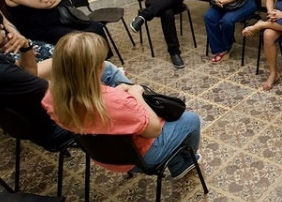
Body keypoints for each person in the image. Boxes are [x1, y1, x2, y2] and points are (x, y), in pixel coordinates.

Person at [0, 4, 131, 149]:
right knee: (107, 71)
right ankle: (138, 119)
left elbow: (30, 72)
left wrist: (25, 47)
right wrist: (104, 85)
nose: (0, 27)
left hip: (33, 124)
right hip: (55, 128)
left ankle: (133, 107)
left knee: (100, 69)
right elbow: (60, 94)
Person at [42, 32, 201, 179]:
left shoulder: (50, 97)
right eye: (100, 63)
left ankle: (176, 157)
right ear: (95, 70)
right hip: (139, 158)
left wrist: (115, 93)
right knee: (191, 119)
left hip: (104, 156)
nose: (104, 65)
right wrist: (136, 95)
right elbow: (154, 130)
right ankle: (182, 163)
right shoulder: (117, 101)